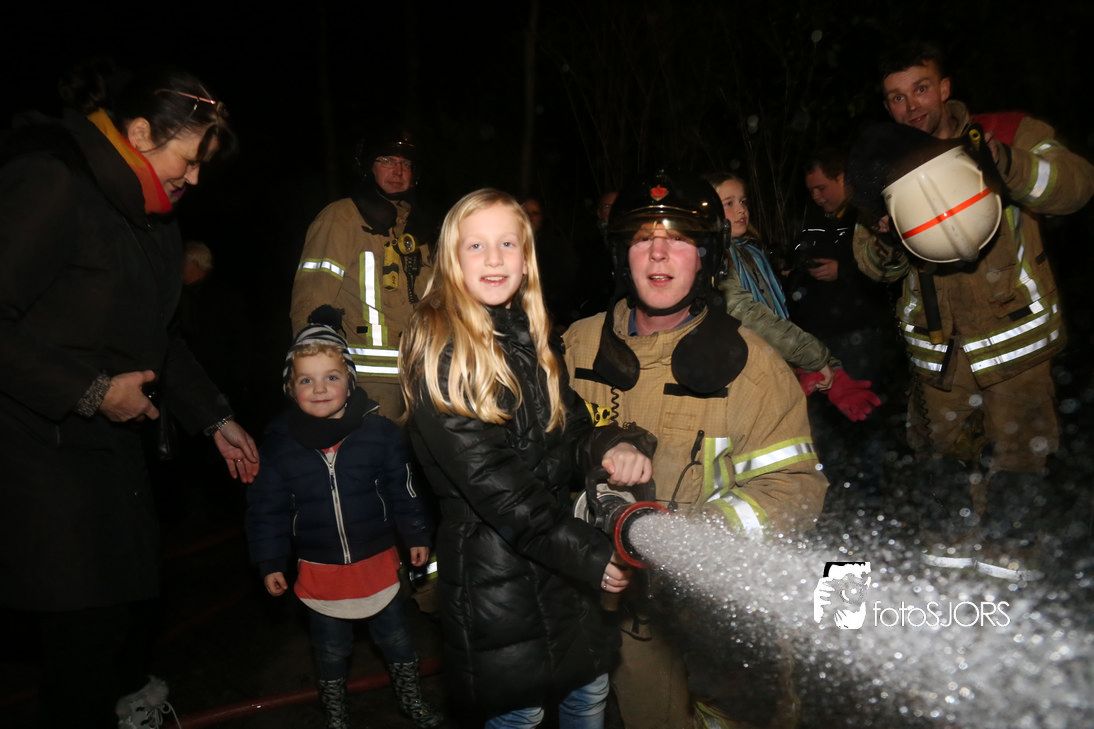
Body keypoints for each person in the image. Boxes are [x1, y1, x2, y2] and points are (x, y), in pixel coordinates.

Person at [0, 60, 259, 729]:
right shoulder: (53, 182)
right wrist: (89, 391)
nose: (194, 179)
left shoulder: (153, 219)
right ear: (140, 133)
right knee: (83, 636)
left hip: (111, 450)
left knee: (125, 618)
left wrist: (216, 419)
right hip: (39, 450)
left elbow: (160, 337)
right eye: (189, 160)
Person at [563, 170, 829, 729]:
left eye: (679, 239)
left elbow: (795, 489)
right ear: (622, 254)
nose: (659, 253)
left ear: (707, 256)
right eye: (643, 238)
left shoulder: (753, 366)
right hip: (627, 611)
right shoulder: (576, 348)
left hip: (725, 614)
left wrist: (695, 536)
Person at [399, 188, 654, 728]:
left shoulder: (528, 336)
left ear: (526, 256)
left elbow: (573, 424)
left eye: (507, 243)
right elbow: (498, 489)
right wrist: (591, 556)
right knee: (521, 715)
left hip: (559, 567)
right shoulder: (441, 352)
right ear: (451, 258)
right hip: (496, 582)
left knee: (588, 694)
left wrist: (613, 445)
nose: (494, 258)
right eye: (476, 245)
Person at [852, 41, 1094, 577]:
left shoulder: (1007, 132)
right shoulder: (884, 168)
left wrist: (1003, 164)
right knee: (940, 465)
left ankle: (1009, 570)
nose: (911, 106)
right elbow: (870, 264)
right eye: (896, 97)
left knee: (1021, 459)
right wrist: (885, 237)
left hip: (1016, 345)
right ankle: (946, 572)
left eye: (920, 89)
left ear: (944, 87)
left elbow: (1077, 186)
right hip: (939, 355)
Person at [245, 309, 444, 729]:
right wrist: (270, 562)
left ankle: (412, 700)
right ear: (290, 387)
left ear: (350, 381)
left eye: (331, 377)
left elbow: (404, 489)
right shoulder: (278, 447)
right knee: (331, 649)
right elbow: (266, 511)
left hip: (378, 563)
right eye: (306, 380)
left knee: (396, 637)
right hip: (320, 571)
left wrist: (416, 534)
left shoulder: (381, 434)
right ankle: (335, 715)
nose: (319, 389)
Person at [706, 171, 879, 422]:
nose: (741, 209)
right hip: (741, 379)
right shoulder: (713, 258)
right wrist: (814, 358)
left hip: (768, 371)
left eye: (743, 201)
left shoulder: (751, 252)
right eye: (728, 203)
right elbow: (748, 315)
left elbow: (777, 317)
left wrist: (808, 367)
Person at [291, 128, 433, 419]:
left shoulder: (420, 230)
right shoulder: (342, 218)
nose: (398, 171)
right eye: (387, 160)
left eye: (406, 164)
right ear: (368, 166)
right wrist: (315, 381)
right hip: (364, 388)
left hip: (421, 385)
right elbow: (311, 301)